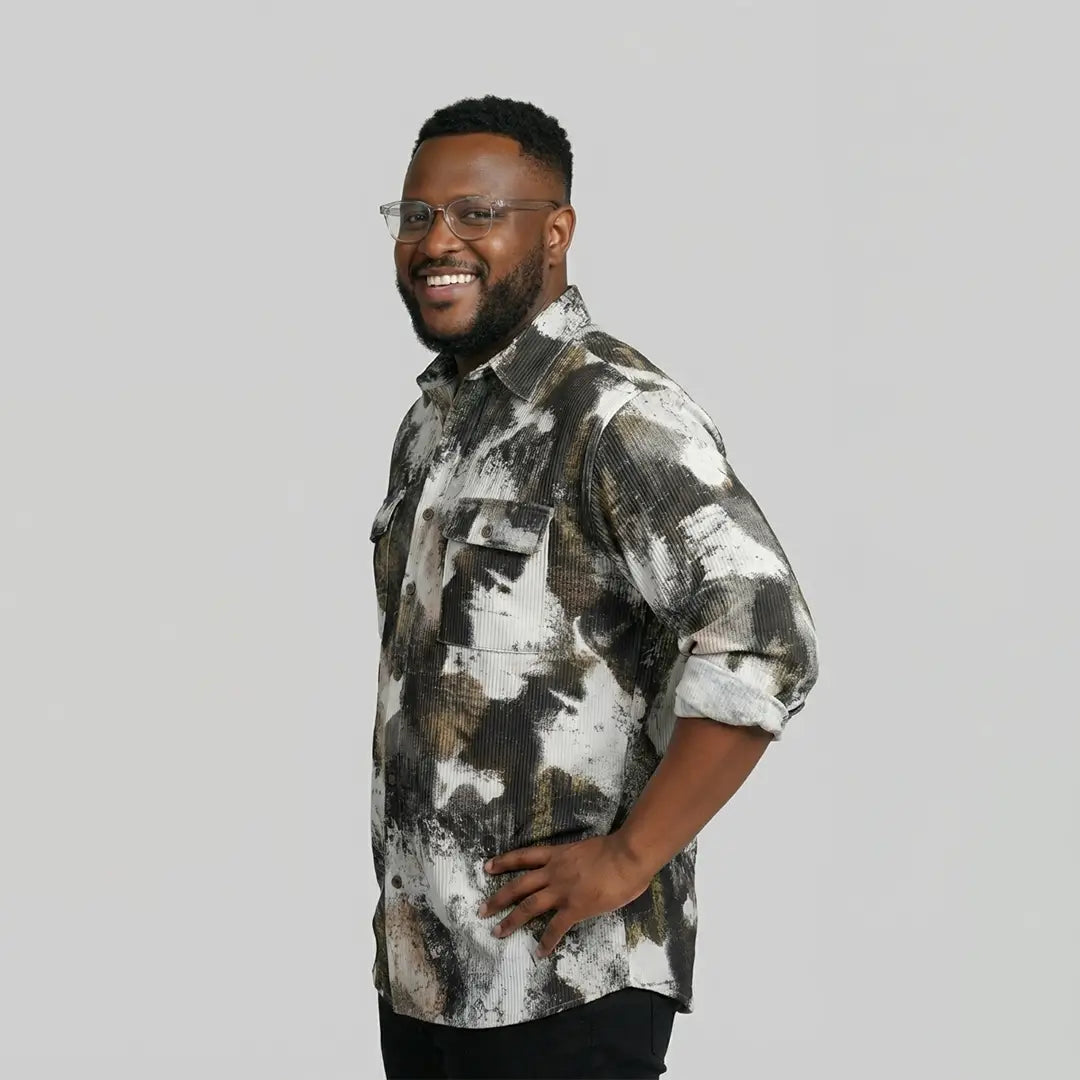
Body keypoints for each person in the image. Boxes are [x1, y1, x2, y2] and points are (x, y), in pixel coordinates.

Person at [369, 95, 819, 1080]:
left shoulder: (614, 412)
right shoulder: (433, 423)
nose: (437, 240)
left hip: (566, 988)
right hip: (425, 979)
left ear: (556, 231)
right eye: (417, 215)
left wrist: (626, 858)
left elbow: (766, 640)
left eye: (477, 213)